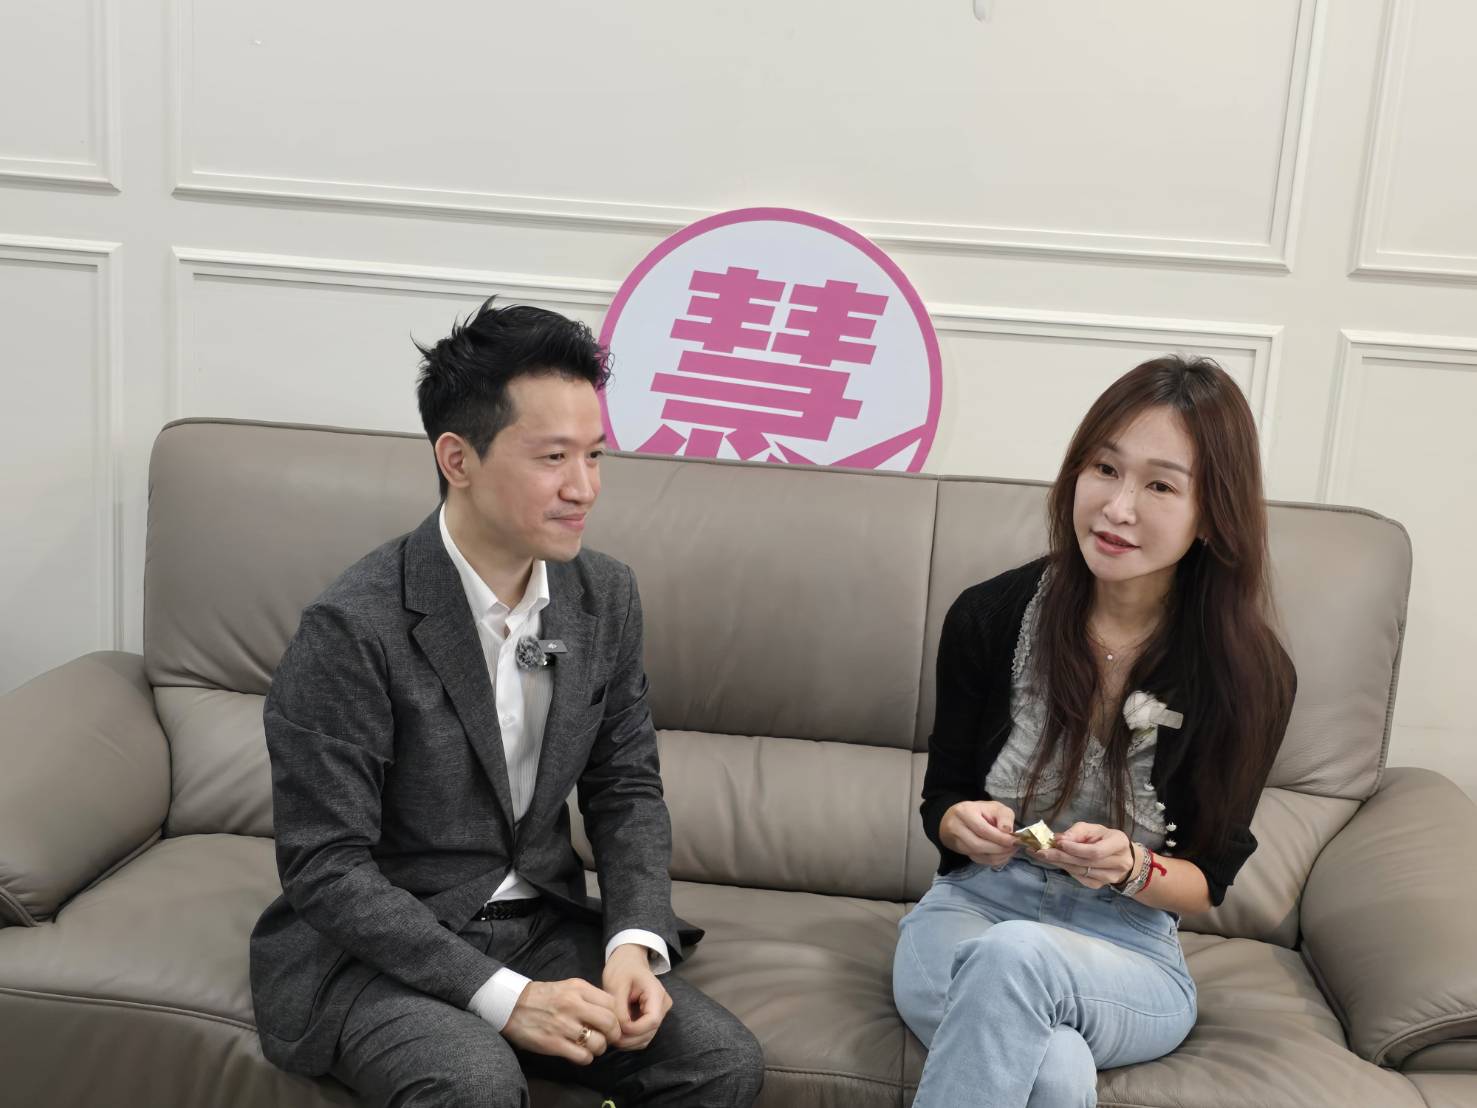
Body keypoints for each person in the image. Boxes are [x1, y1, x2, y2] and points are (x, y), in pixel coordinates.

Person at [249, 302, 764, 1108]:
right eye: (552, 457)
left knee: (719, 1062)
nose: (583, 488)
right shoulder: (353, 627)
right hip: (386, 947)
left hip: (544, 922)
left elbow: (625, 787)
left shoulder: (604, 597)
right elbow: (326, 865)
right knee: (473, 1086)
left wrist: (632, 942)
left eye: (594, 455)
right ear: (457, 458)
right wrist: (507, 998)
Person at [894, 355, 1297, 1108]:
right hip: (971, 912)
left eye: (1160, 486)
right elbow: (941, 798)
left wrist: (1131, 867)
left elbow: (1207, 879)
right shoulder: (987, 617)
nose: (1116, 507)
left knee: (1017, 956)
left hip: (1127, 950)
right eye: (1104, 469)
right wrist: (959, 824)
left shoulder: (1249, 675)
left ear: (1213, 514)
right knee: (1051, 1067)